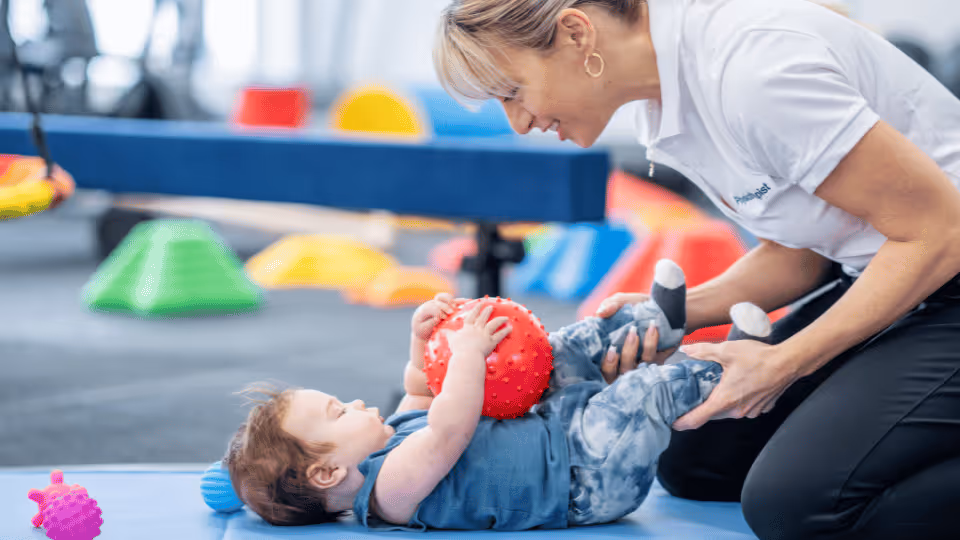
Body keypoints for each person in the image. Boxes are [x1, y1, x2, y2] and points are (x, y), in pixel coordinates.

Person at [432, 0, 960, 539]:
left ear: (575, 32)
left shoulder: (753, 72)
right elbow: (804, 249)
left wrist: (786, 361)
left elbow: (940, 231)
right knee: (696, 460)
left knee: (803, 506)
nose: (519, 123)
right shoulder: (661, 107)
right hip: (900, 274)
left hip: (944, 263)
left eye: (513, 92)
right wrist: (670, 313)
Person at [222, 262, 774, 530]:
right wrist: (467, 352)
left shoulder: (384, 444)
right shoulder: (389, 493)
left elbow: (422, 390)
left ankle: (661, 322)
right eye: (338, 413)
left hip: (555, 429)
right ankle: (729, 363)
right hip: (586, 481)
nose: (357, 405)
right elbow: (449, 428)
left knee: (563, 349)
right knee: (645, 391)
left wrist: (422, 337)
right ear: (325, 474)